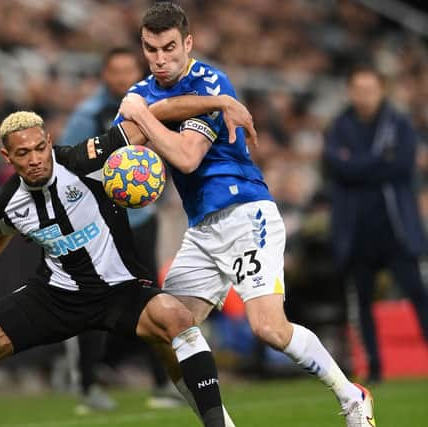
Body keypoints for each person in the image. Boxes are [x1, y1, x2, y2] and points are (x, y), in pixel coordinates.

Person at [0, 97, 256, 427]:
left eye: (39, 148)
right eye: (22, 153)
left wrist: (219, 101)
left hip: (121, 290)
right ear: (7, 157)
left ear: (49, 141)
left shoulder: (86, 159)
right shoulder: (7, 201)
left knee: (177, 320)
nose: (34, 159)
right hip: (55, 296)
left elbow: (150, 115)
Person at [115, 3, 375, 426]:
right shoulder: (144, 90)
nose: (160, 58)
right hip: (201, 229)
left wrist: (143, 114)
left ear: (188, 43)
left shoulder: (212, 83)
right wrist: (139, 121)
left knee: (269, 328)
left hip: (245, 215)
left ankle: (352, 396)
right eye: (151, 49)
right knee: (162, 327)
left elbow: (185, 157)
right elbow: (123, 141)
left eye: (168, 48)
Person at [59, 46, 181, 412]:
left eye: (130, 70)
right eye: (116, 71)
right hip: (99, 226)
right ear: (104, 75)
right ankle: (88, 387)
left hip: (142, 220)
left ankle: (163, 384)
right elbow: (68, 164)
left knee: (150, 296)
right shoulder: (88, 115)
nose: (124, 77)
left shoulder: (154, 107)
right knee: (93, 300)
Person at [324, 63, 428, 384]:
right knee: (362, 304)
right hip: (357, 233)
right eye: (359, 90)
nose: (364, 96)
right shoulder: (338, 127)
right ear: (350, 91)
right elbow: (339, 169)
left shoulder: (398, 124)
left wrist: (359, 165)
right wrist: (377, 159)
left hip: (396, 230)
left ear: (381, 90)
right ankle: (374, 368)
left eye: (370, 89)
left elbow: (400, 166)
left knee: (418, 294)